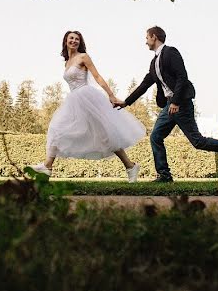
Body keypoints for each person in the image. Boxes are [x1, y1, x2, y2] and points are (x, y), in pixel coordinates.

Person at [114, 26, 218, 182]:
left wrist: (176, 101)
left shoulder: (171, 52)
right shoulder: (154, 63)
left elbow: (182, 77)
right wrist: (126, 102)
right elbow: (145, 84)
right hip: (169, 106)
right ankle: (164, 175)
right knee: (156, 136)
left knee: (198, 142)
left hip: (181, 103)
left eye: (146, 38)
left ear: (154, 37)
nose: (145, 42)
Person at [30, 30, 144, 182]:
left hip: (87, 98)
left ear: (80, 42)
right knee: (56, 129)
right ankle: (47, 166)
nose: (74, 41)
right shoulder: (67, 62)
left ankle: (130, 166)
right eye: (71, 38)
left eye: (77, 39)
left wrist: (110, 95)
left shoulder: (83, 57)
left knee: (106, 135)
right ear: (66, 41)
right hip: (73, 101)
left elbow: (97, 76)